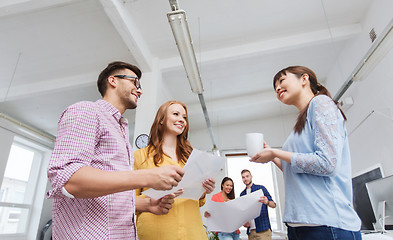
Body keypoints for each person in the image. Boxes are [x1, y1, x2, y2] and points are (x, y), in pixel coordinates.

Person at [47, 61, 185, 239]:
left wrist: (147, 205)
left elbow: (107, 197)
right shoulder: (87, 111)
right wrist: (149, 176)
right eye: (135, 82)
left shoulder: (120, 130)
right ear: (113, 80)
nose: (140, 90)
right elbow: (68, 180)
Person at [250, 66, 362, 240]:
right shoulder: (298, 126)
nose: (278, 88)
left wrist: (276, 153)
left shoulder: (321, 103)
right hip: (299, 225)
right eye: (275, 87)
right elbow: (295, 171)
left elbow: (327, 164)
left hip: (326, 224)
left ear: (304, 79)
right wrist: (273, 156)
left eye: (281, 81)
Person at [134, 100, 216, 240]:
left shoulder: (193, 157)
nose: (181, 120)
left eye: (184, 117)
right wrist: (155, 195)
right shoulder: (141, 156)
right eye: (176, 114)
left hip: (193, 232)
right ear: (161, 119)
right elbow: (129, 202)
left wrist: (204, 190)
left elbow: (199, 201)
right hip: (157, 233)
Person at [240, 169, 276, 240]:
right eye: (243, 177)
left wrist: (267, 202)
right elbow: (243, 212)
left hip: (263, 230)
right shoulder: (242, 194)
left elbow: (274, 205)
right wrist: (244, 221)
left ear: (251, 176)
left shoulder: (261, 189)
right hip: (251, 232)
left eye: (247, 176)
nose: (245, 179)